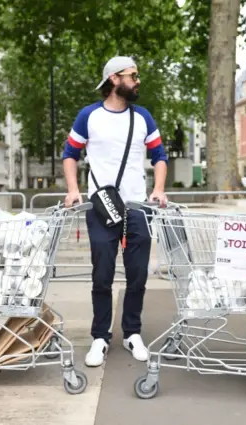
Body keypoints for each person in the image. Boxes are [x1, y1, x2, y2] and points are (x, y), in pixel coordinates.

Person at [62, 56, 169, 367]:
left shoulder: (143, 117)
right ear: (114, 79)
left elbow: (159, 156)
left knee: (138, 275)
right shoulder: (89, 116)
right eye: (132, 76)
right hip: (101, 207)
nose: (137, 81)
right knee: (102, 275)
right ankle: (100, 336)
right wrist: (72, 189)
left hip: (136, 208)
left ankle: (132, 332)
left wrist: (158, 189)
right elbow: (70, 154)